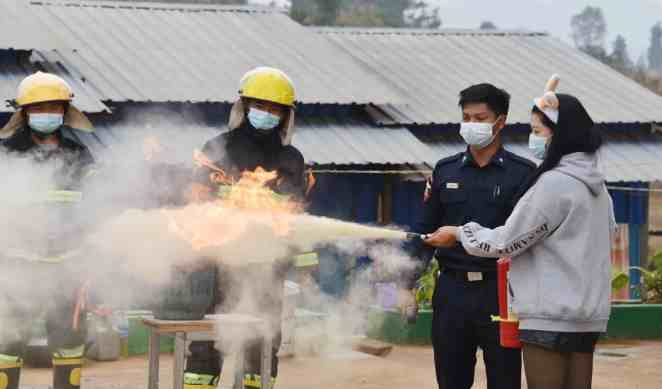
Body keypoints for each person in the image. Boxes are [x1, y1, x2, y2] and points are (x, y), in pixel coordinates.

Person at [425, 76, 614, 389]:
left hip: (548, 312)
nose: (533, 139)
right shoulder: (595, 186)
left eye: (538, 132)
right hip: (585, 313)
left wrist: (459, 233)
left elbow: (508, 240)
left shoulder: (552, 184)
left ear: (561, 135)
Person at [402, 83, 534, 389]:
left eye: (480, 118)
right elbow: (424, 229)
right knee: (451, 380)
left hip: (500, 294)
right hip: (452, 292)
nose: (471, 125)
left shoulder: (523, 174)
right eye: (466, 117)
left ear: (500, 122)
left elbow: (523, 237)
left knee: (504, 380)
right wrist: (406, 284)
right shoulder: (446, 171)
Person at [184, 67, 305, 389]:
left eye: (275, 109)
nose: (266, 114)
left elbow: (291, 213)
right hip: (215, 266)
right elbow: (196, 201)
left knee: (261, 346)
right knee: (205, 346)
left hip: (266, 268)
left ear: (285, 116)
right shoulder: (216, 149)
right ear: (244, 106)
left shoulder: (290, 159)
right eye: (259, 106)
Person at [0, 71, 96, 389]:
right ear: (24, 113)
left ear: (65, 112)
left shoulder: (80, 157)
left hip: (68, 271)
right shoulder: (5, 155)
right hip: (15, 270)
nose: (46, 115)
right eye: (39, 109)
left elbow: (99, 209)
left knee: (69, 346)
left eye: (53, 107)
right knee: (6, 348)